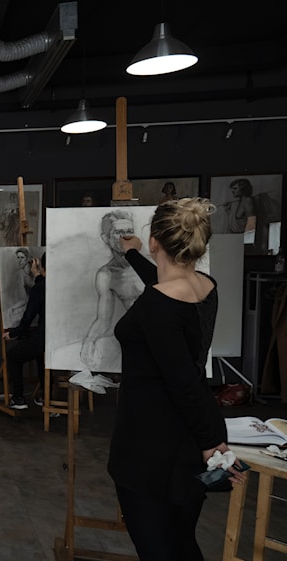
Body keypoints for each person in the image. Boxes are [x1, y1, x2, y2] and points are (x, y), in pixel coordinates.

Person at [109, 198, 247, 560]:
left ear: (155, 241)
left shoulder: (157, 305)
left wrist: (212, 442)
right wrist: (133, 254)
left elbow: (181, 379)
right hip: (186, 436)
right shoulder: (206, 287)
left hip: (152, 445)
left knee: (158, 548)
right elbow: (167, 286)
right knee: (181, 542)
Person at [80, 210, 142, 371]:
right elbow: (103, 320)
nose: (126, 237)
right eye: (119, 232)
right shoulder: (107, 274)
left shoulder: (152, 263)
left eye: (129, 231)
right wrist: (89, 342)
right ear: (106, 238)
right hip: (141, 339)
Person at [2, 253, 46, 409]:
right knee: (43, 358)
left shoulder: (38, 288)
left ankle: (18, 398)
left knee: (13, 357)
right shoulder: (58, 284)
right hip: (58, 340)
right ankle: (46, 397)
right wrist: (38, 275)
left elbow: (28, 318)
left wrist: (13, 333)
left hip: (42, 337)